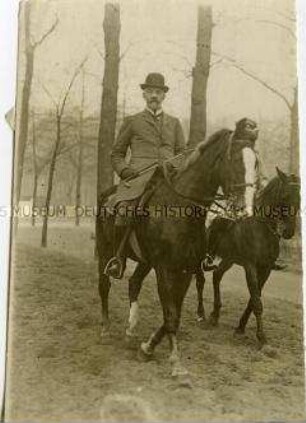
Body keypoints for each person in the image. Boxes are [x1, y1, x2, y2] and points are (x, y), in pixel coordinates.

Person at [104, 73, 186, 278]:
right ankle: (118, 258)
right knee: (123, 209)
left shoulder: (175, 123)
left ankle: (197, 256)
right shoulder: (132, 121)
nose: (154, 96)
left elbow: (182, 153)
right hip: (138, 178)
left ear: (164, 96)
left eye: (158, 92)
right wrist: (124, 170)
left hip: (169, 179)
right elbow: (116, 153)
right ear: (144, 94)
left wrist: (176, 168)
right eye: (150, 91)